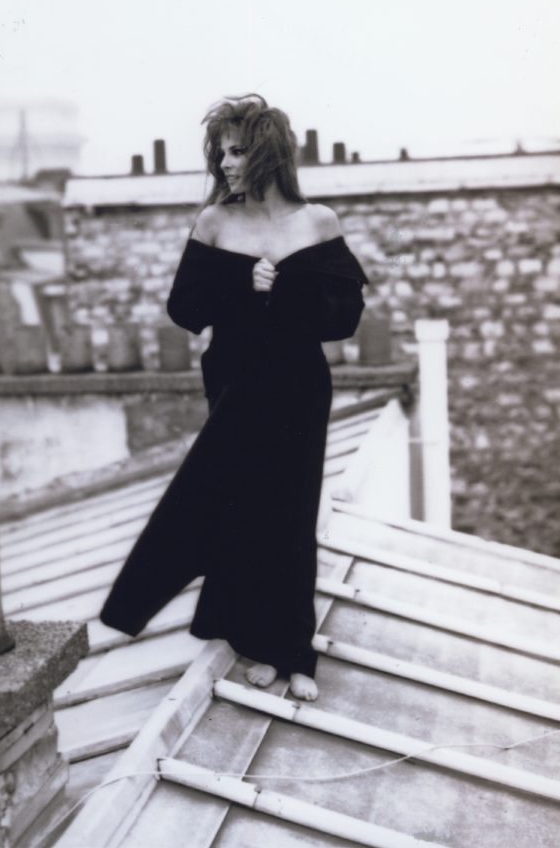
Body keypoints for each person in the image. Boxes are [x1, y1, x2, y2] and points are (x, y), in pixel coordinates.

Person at [100, 93, 368, 702]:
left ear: (268, 155)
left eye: (238, 152)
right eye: (221, 153)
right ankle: (249, 638)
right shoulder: (214, 223)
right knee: (233, 503)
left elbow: (344, 316)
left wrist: (285, 291)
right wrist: (244, 286)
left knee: (291, 512)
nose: (225, 164)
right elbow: (185, 308)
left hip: (299, 383)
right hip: (236, 380)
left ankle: (292, 651)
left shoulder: (318, 221)